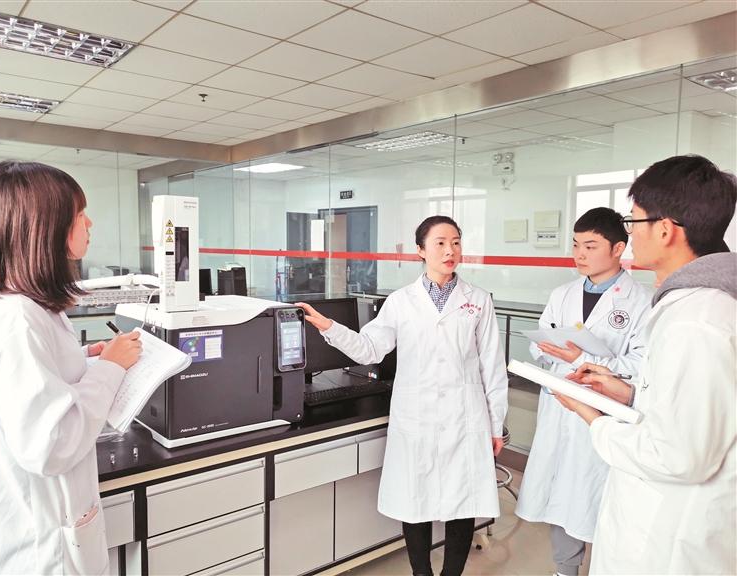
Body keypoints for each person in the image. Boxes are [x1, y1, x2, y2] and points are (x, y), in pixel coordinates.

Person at [299, 215, 508, 576]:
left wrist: (495, 423)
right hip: (417, 416)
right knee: (416, 500)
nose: (450, 250)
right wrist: (328, 327)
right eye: (440, 243)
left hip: (465, 416)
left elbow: (492, 365)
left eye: (456, 242)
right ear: (421, 251)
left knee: (464, 502)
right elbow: (369, 349)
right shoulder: (400, 301)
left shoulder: (478, 301)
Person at [559, 155, 736, 575]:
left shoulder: (697, 320)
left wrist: (595, 420)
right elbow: (694, 408)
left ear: (665, 229)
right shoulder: (700, 306)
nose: (630, 232)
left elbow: (679, 456)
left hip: (668, 540)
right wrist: (631, 393)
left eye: (633, 221)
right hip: (669, 526)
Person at [0, 161, 142, 574]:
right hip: (37, 549)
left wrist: (83, 359)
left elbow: (19, 386)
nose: (89, 223)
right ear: (45, 227)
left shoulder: (1, 305)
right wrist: (110, 368)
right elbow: (51, 444)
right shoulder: (17, 318)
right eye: (79, 214)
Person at [515, 207, 651, 576]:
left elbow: (641, 365)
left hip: (603, 413)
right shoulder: (563, 294)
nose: (579, 254)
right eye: (576, 245)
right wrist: (549, 348)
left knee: (596, 496)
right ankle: (565, 570)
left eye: (590, 246)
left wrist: (582, 357)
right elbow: (540, 343)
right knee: (562, 495)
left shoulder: (641, 301)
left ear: (618, 248)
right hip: (561, 404)